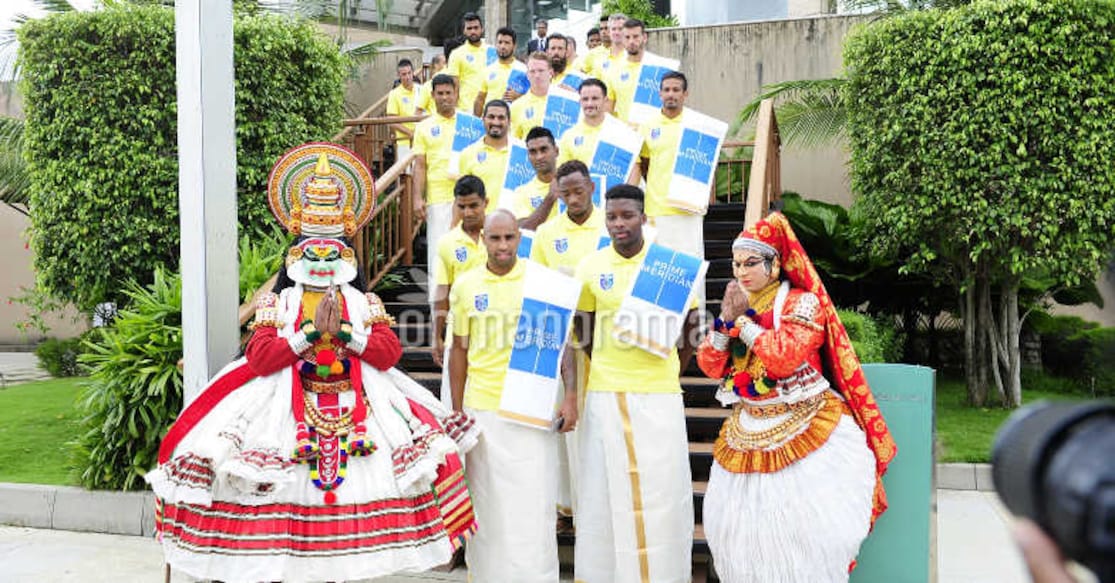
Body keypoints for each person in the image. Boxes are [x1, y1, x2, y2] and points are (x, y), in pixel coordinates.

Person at [146, 143, 480, 583]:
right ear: (295, 254)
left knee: (353, 521)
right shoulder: (277, 303)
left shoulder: (365, 301)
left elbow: (388, 354)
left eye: (331, 252)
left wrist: (343, 332)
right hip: (282, 413)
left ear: (347, 255)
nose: (321, 261)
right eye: (312, 252)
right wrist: (305, 334)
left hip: (357, 409)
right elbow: (261, 358)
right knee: (276, 514)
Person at [695, 212, 897, 582]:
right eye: (737, 263)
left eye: (751, 263)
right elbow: (710, 365)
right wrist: (726, 321)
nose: (741, 272)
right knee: (738, 534)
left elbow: (785, 357)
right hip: (748, 428)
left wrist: (746, 325)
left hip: (805, 427)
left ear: (774, 266)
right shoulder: (737, 305)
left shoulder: (802, 303)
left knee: (809, 533)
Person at [569, 184, 698, 583]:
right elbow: (583, 328)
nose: (619, 223)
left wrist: (669, 369)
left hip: (660, 394)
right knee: (606, 496)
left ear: (644, 217)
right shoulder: (591, 267)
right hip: (608, 392)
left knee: (663, 494)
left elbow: (690, 329)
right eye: (612, 217)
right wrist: (608, 363)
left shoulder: (670, 265)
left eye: (627, 216)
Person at [448, 209, 577, 582]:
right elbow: (459, 351)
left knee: (534, 504)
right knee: (487, 505)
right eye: (495, 238)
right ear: (482, 239)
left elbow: (563, 344)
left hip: (532, 410)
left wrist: (570, 398)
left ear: (519, 239)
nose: (502, 245)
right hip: (483, 411)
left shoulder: (543, 283)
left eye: (509, 238)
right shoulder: (466, 285)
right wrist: (457, 411)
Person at [636, 71, 706, 259]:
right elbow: (643, 163)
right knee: (660, 266)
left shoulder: (698, 124)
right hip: (657, 209)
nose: (671, 94)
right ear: (660, 94)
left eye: (676, 90)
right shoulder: (648, 125)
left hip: (688, 209)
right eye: (666, 90)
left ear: (685, 94)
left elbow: (705, 164)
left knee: (690, 265)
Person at [431, 175, 489, 376]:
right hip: (458, 331)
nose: (468, 212)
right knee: (454, 396)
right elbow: (442, 291)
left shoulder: (501, 237)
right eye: (461, 207)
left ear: (486, 202)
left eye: (474, 205)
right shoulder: (447, 242)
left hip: (496, 328)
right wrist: (436, 335)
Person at [412, 74, 463, 302]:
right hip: (438, 200)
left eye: (448, 93)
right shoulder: (424, 127)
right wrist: (417, 198)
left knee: (466, 257)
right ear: (432, 96)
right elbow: (420, 165)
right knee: (438, 258)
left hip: (468, 201)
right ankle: (437, 321)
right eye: (439, 93)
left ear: (456, 94)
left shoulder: (469, 124)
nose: (444, 98)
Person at [557, 78, 638, 186]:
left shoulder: (622, 131)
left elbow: (634, 171)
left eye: (595, 98)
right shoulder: (569, 136)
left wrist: (625, 200)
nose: (589, 103)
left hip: (616, 200)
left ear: (605, 100)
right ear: (580, 101)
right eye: (585, 99)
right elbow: (563, 175)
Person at [459, 99, 512, 210]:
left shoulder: (522, 153)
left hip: (515, 222)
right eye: (491, 117)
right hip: (481, 223)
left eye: (501, 118)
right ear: (483, 119)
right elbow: (462, 197)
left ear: (509, 121)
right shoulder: (467, 154)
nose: (496, 122)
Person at [511, 126, 562, 228]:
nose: (539, 157)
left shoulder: (572, 183)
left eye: (544, 150)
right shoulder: (522, 192)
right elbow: (523, 230)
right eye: (533, 152)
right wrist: (550, 198)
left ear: (556, 151)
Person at [473, 26, 527, 116]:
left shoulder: (523, 70)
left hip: (514, 121)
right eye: (500, 42)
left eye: (507, 43)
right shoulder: (488, 70)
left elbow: (534, 97)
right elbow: (480, 99)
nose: (502, 46)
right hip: (492, 122)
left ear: (514, 46)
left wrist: (519, 96)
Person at [605, 18, 648, 122]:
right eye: (627, 37)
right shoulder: (613, 69)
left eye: (636, 36)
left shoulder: (656, 67)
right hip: (626, 134)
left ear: (644, 37)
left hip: (653, 134)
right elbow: (608, 110)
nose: (631, 41)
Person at [446, 12, 490, 111]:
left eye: (476, 28)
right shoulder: (456, 54)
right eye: (469, 28)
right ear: (464, 31)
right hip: (466, 110)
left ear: (482, 29)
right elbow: (454, 86)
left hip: (491, 110)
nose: (473, 31)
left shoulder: (492, 52)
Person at [510, 52, 554, 141]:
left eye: (541, 71)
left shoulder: (562, 101)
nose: (537, 75)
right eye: (532, 71)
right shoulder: (516, 106)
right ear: (527, 75)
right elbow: (515, 142)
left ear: (551, 73)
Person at [386, 58, 422, 159]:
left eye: (409, 73)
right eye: (404, 74)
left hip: (422, 139)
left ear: (413, 73)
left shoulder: (422, 90)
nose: (407, 77)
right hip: (404, 140)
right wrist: (410, 133)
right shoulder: (394, 94)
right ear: (399, 75)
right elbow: (391, 120)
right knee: (406, 172)